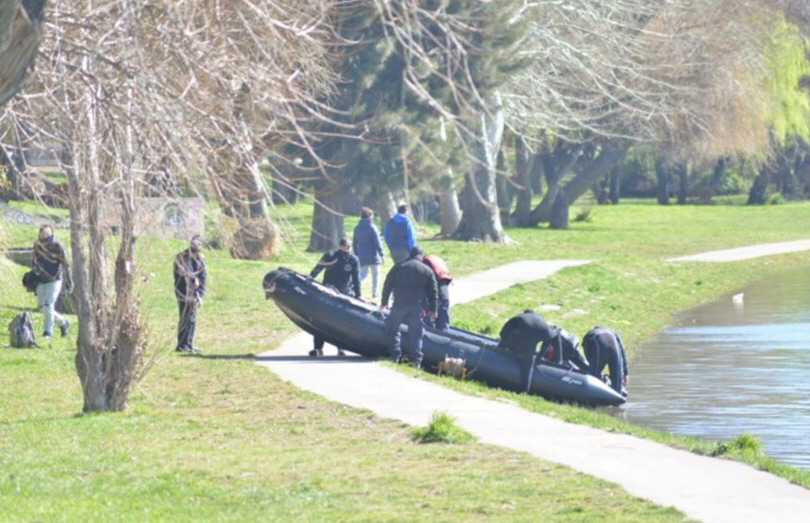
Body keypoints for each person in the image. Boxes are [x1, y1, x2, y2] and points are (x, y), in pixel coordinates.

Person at [379, 246, 437, 369]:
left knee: (393, 330)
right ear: (421, 256)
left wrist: (384, 302)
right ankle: (416, 361)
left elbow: (387, 284)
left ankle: (395, 356)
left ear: (410, 255)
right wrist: (433, 309)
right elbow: (433, 292)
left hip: (399, 305)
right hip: (416, 307)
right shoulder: (427, 270)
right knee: (415, 334)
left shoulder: (399, 267)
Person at [309, 238, 361, 357]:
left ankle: (341, 348)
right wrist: (311, 277)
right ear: (340, 246)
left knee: (341, 322)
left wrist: (358, 295)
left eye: (347, 247)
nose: (346, 249)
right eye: (344, 246)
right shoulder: (331, 255)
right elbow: (319, 266)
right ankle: (318, 348)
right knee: (321, 320)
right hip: (327, 290)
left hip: (343, 293)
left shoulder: (353, 260)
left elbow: (356, 279)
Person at [497, 310, 559, 392]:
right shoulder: (540, 319)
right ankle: (525, 390)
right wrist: (540, 357)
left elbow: (504, 332)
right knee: (527, 365)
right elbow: (549, 338)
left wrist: (502, 346)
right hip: (541, 331)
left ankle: (523, 389)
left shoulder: (519, 316)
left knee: (527, 362)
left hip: (525, 332)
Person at [32, 224, 70, 339]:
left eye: (47, 233)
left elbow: (66, 263)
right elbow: (34, 260)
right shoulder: (37, 245)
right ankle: (63, 322)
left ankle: (47, 332)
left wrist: (69, 280)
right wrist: (35, 272)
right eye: (42, 233)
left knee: (49, 305)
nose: (44, 235)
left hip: (54, 280)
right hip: (41, 279)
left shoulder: (57, 246)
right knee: (42, 307)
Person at [174, 235, 206, 353]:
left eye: (200, 244)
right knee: (185, 317)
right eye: (195, 243)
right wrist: (193, 281)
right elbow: (185, 273)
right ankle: (182, 344)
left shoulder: (199, 259)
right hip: (183, 291)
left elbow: (202, 277)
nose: (197, 246)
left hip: (193, 293)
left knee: (192, 319)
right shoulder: (182, 257)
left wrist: (200, 295)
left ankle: (189, 344)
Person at [582, 326, 629, 396]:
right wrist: (625, 373)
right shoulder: (612, 332)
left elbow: (587, 352)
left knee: (593, 378)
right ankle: (617, 401)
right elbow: (622, 351)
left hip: (600, 349)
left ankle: (593, 401)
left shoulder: (590, 334)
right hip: (615, 351)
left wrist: (591, 365)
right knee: (617, 385)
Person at [352, 207, 384, 299]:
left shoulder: (357, 228)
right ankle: (375, 292)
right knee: (375, 274)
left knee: (362, 274)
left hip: (361, 255)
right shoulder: (372, 227)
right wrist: (381, 254)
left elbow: (354, 243)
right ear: (370, 216)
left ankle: (353, 286)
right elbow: (377, 242)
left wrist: (356, 254)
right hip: (373, 255)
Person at [421, 253, 452, 331]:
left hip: (435, 285)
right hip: (443, 285)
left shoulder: (424, 263)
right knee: (443, 313)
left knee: (428, 312)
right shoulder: (434, 260)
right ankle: (444, 333)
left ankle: (430, 333)